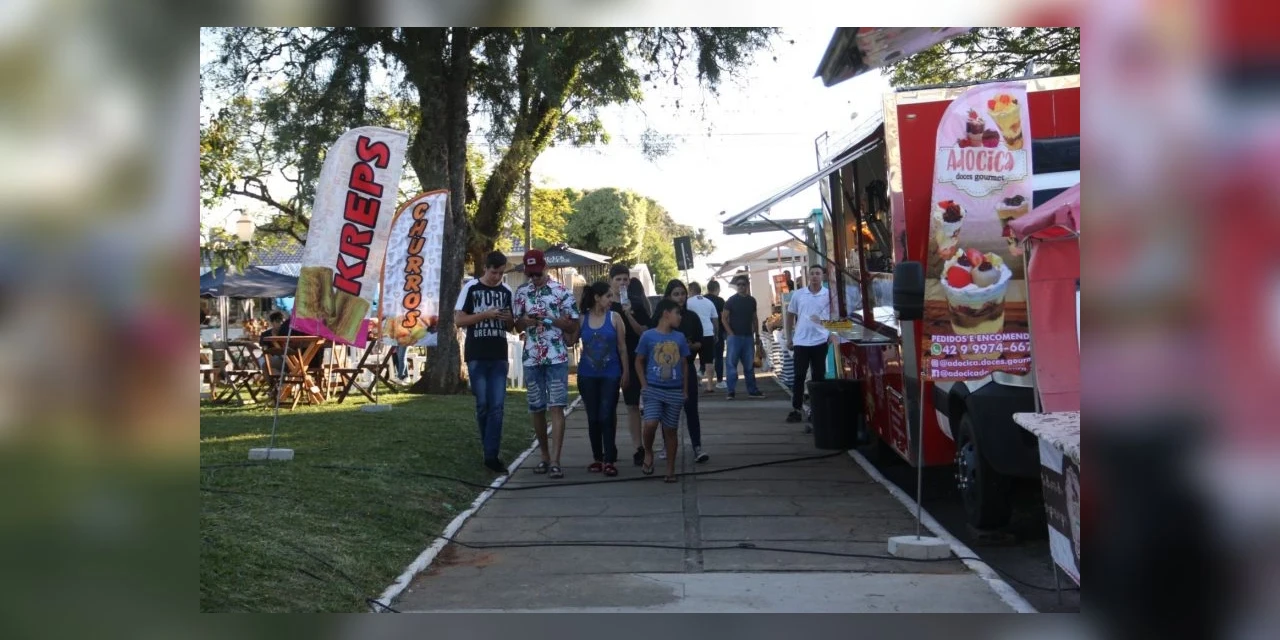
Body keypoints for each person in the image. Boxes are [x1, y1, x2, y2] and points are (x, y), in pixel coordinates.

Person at [513, 249, 581, 479]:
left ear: (546, 268)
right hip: (532, 356)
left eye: (538, 273)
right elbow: (517, 325)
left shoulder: (562, 292)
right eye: (530, 274)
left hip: (556, 356)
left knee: (556, 405)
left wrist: (551, 320)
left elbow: (573, 326)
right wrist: (525, 321)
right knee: (536, 407)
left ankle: (556, 460)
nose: (535, 278)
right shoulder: (521, 293)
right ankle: (543, 456)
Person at [454, 250, 517, 473]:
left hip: (498, 354)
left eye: (500, 274)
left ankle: (492, 454)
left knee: (497, 406)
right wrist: (485, 315)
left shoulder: (506, 291)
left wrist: (508, 319)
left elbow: (512, 326)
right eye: (493, 272)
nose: (496, 278)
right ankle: (487, 446)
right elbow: (459, 320)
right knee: (483, 405)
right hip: (477, 354)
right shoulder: (471, 288)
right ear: (485, 268)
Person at [653, 280, 709, 463]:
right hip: (666, 369)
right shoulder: (662, 316)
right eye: (676, 294)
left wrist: (691, 346)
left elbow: (702, 342)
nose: (680, 298)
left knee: (691, 408)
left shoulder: (692, 317)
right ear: (669, 296)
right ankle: (666, 445)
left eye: (682, 294)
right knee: (666, 409)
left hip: (687, 367)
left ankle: (697, 446)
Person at [577, 281, 629, 476]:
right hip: (587, 375)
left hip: (611, 374)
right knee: (593, 417)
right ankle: (597, 458)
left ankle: (609, 459)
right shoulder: (583, 319)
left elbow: (622, 347)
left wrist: (626, 372)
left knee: (607, 416)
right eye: (608, 296)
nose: (611, 300)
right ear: (597, 298)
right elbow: (571, 339)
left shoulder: (615, 318)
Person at [635, 299, 690, 483]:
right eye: (678, 313)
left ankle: (670, 469)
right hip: (653, 389)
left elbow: (684, 365)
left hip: (674, 390)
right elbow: (639, 361)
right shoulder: (648, 336)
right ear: (666, 314)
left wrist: (684, 390)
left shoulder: (680, 338)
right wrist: (644, 385)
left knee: (670, 430)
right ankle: (648, 451)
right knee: (650, 423)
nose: (680, 317)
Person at [608, 267, 652, 466]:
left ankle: (638, 447)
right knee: (608, 406)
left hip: (633, 356)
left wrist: (629, 314)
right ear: (611, 281)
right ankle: (608, 447)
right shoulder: (605, 304)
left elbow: (644, 332)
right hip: (609, 358)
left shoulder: (636, 304)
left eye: (626, 279)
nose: (623, 283)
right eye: (618, 279)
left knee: (632, 404)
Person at [786, 264, 833, 430]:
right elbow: (790, 314)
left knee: (819, 376)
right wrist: (789, 336)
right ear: (808, 276)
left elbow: (837, 316)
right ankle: (796, 409)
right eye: (812, 273)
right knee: (799, 376)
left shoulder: (829, 295)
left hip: (820, 341)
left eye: (818, 273)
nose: (814, 276)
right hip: (801, 342)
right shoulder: (799, 294)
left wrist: (832, 334)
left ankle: (817, 410)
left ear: (823, 276)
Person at [721, 275, 766, 399]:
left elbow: (754, 318)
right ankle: (730, 391)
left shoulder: (752, 300)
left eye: (743, 284)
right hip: (734, 338)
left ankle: (752, 390)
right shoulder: (731, 300)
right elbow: (724, 318)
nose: (741, 286)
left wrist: (756, 335)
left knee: (749, 366)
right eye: (739, 284)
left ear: (747, 285)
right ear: (736, 286)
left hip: (748, 337)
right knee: (731, 365)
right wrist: (731, 333)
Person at [685, 282, 719, 394]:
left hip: (693, 335)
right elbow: (715, 320)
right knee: (709, 361)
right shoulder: (709, 302)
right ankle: (710, 386)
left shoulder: (688, 302)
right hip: (708, 333)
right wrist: (716, 334)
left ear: (690, 290)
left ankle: (690, 385)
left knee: (689, 361)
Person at [704, 280, 727, 390]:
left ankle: (701, 374)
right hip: (717, 331)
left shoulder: (703, 300)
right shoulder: (720, 301)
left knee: (707, 357)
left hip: (704, 332)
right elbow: (723, 317)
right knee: (718, 357)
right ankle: (719, 381)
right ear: (717, 289)